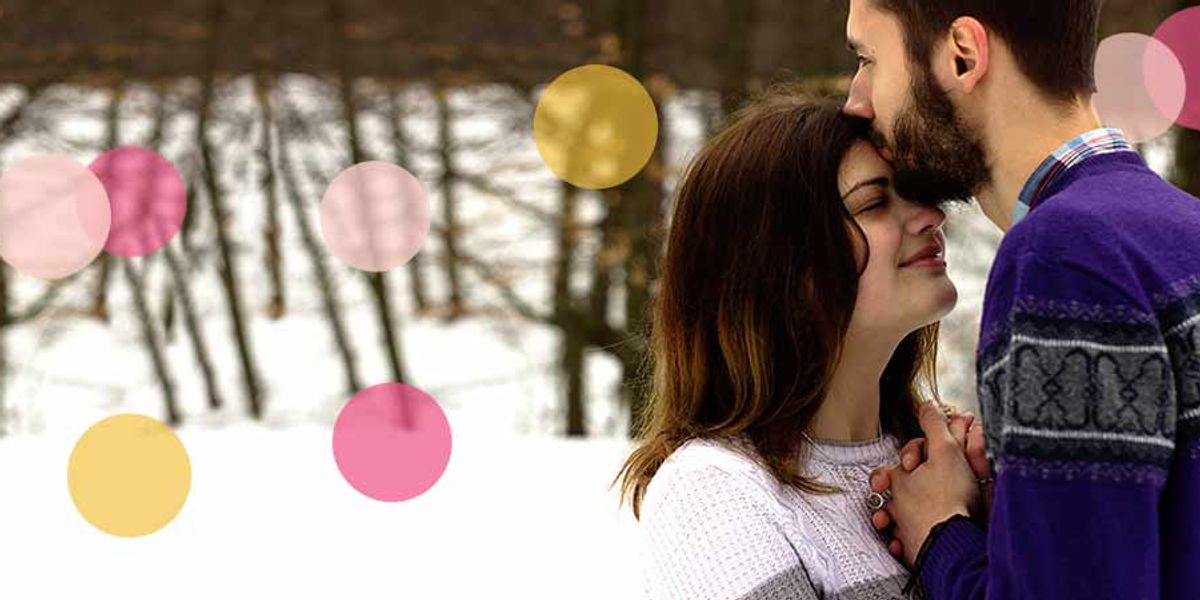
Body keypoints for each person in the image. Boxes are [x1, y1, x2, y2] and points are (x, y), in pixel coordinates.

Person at [841, 1, 1200, 598]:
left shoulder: (1064, 258)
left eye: (869, 59)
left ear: (962, 55)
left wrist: (938, 531)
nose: (857, 99)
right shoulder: (1181, 227)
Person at [614, 91, 987, 599]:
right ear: (779, 268)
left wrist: (995, 527)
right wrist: (943, 536)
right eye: (875, 202)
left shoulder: (939, 466)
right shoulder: (716, 493)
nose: (930, 217)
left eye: (914, 192)